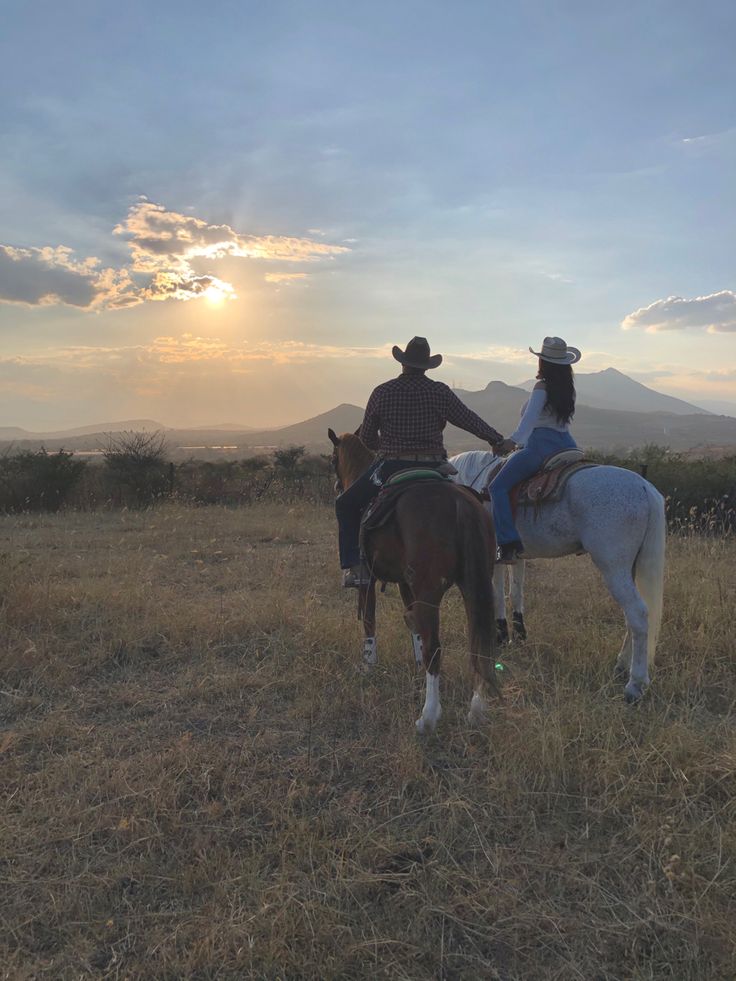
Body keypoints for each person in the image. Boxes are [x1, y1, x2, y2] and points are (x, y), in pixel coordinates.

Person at [337, 336, 506, 586]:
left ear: (403, 363)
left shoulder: (382, 392)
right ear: (427, 366)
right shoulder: (439, 391)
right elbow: (468, 419)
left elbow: (369, 439)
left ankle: (355, 568)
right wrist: (497, 440)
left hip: (392, 465)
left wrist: (389, 444)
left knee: (346, 504)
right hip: (435, 466)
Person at [489, 336, 581, 563]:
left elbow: (529, 420)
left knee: (497, 487)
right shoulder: (568, 388)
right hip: (568, 445)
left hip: (540, 447)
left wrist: (512, 441)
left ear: (543, 362)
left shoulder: (541, 386)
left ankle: (507, 544)